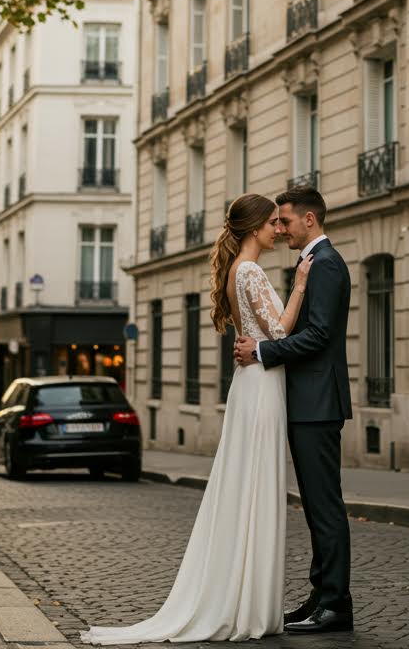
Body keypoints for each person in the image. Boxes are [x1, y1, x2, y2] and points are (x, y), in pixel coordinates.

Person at [81, 193, 313, 645]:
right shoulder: (250, 270)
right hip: (262, 385)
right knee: (254, 487)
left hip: (252, 383)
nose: (278, 230)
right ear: (252, 229)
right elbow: (281, 331)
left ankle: (244, 597)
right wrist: (300, 284)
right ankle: (248, 604)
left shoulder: (234, 272)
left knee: (245, 486)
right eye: (271, 223)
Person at [235, 186, 353, 636]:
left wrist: (263, 351)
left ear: (309, 219)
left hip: (318, 403)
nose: (280, 229)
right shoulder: (314, 263)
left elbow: (320, 336)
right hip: (308, 402)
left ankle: (336, 605)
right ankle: (320, 596)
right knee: (316, 506)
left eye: (285, 221)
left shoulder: (325, 264)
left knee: (324, 507)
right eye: (275, 222)